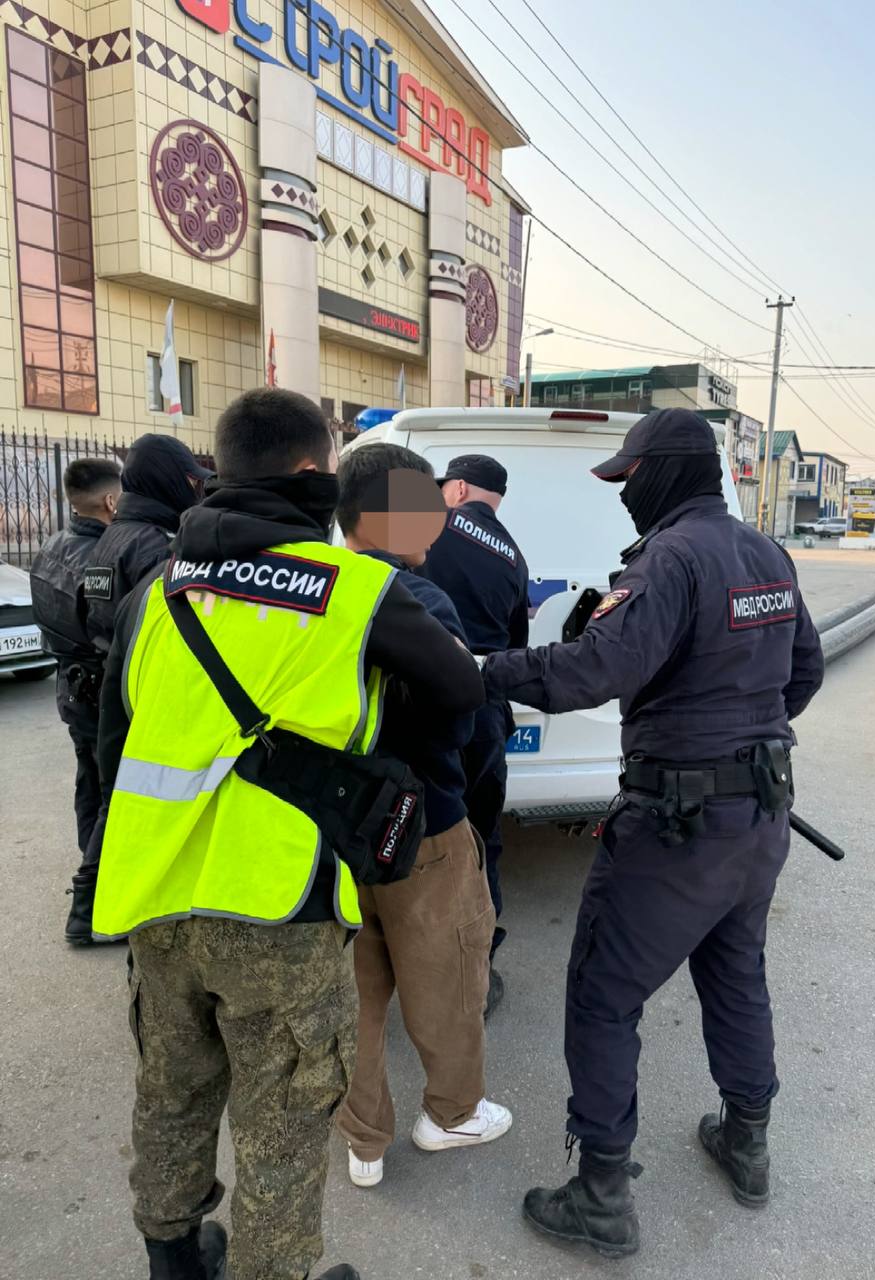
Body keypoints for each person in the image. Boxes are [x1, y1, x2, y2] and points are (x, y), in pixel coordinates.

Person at [91, 388, 485, 1280]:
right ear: (312, 470)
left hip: (154, 896)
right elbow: (460, 693)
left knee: (172, 1091)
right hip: (279, 901)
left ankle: (172, 1258)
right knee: (282, 1119)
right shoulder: (357, 592)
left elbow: (115, 747)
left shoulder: (158, 590)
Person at [481, 409, 825, 1259]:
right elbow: (804, 671)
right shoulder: (763, 553)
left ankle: (600, 1196)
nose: (623, 493)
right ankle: (746, 1142)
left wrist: (484, 669)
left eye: (628, 477)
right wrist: (740, 738)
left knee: (602, 995)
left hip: (677, 826)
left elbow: (593, 669)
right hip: (758, 814)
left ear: (665, 473)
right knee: (735, 972)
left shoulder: (669, 559)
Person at [334, 443, 512, 1191]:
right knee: (448, 974)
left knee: (355, 989)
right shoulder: (420, 601)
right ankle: (451, 1114)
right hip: (424, 823)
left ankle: (363, 1140)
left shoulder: (311, 592)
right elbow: (461, 725)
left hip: (331, 828)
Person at [64, 433, 212, 945]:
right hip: (132, 693)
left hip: (101, 686)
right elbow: (169, 622)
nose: (195, 488)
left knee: (103, 795)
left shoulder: (110, 537)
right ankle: (90, 910)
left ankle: (100, 900)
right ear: (167, 481)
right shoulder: (152, 544)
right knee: (125, 804)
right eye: (189, 479)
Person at [421, 454, 529, 1016]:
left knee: (417, 837)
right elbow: (515, 646)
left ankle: (412, 966)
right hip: (484, 708)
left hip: (421, 701)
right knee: (481, 838)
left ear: (458, 488)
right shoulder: (514, 555)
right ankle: (477, 967)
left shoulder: (426, 525)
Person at [29, 458, 122, 857]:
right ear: (111, 501)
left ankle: (88, 860)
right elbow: (110, 633)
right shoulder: (102, 557)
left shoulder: (50, 546)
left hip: (69, 686)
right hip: (99, 690)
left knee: (88, 779)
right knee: (110, 792)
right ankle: (94, 877)